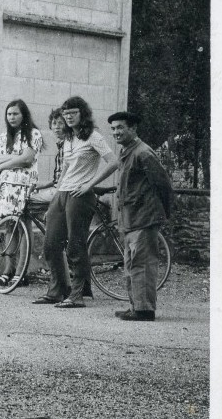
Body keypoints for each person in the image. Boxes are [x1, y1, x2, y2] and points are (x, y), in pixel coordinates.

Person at [35, 96, 118, 309]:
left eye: (73, 113)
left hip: (80, 196)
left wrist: (90, 184)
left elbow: (113, 162)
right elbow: (65, 169)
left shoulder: (93, 136)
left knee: (75, 244)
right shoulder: (69, 138)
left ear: (83, 114)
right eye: (66, 113)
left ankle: (77, 294)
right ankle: (56, 291)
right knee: (51, 244)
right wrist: (56, 196)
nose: (68, 117)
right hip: (62, 194)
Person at [108, 111, 174, 321]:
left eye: (120, 127)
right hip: (131, 218)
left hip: (144, 218)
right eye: (113, 129)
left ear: (133, 129)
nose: (116, 132)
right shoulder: (127, 152)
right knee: (131, 263)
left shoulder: (143, 153)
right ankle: (136, 305)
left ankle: (145, 310)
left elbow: (163, 184)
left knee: (142, 263)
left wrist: (164, 214)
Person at [0, 99, 44, 219]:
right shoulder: (4, 137)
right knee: (8, 224)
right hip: (5, 187)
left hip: (24, 185)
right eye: (9, 114)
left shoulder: (33, 134)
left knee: (23, 224)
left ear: (23, 115)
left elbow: (26, 160)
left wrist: (1, 166)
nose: (11, 117)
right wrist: (15, 157)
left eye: (15, 114)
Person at [28, 107, 67, 211]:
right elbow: (57, 179)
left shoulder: (67, 146)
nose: (57, 127)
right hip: (59, 188)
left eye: (61, 123)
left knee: (26, 199)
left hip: (62, 191)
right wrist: (37, 185)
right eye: (54, 123)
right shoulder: (61, 145)